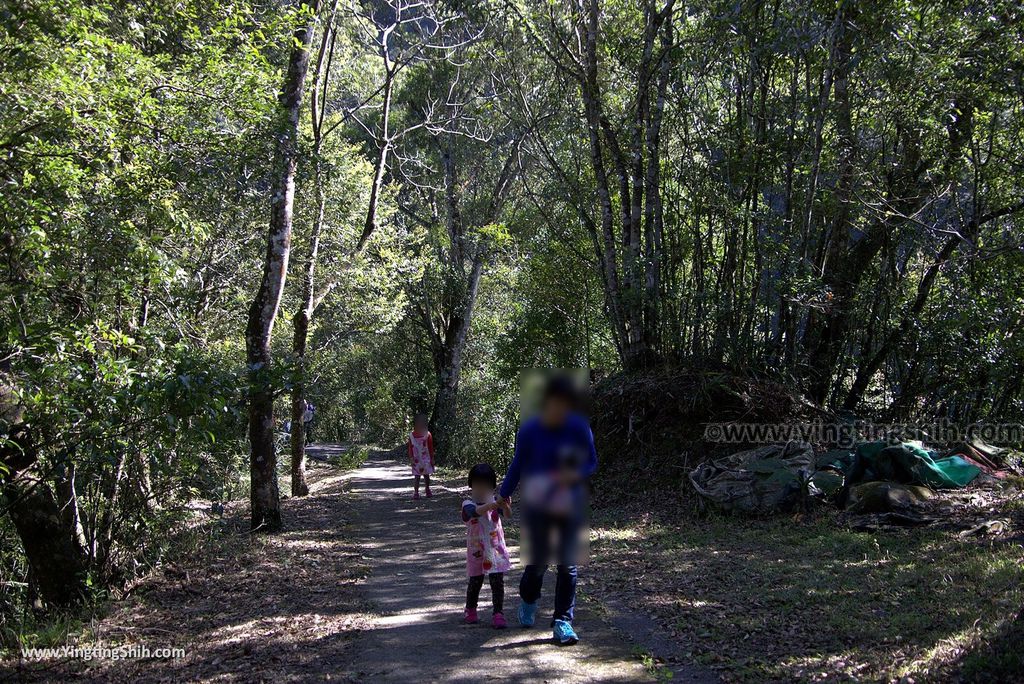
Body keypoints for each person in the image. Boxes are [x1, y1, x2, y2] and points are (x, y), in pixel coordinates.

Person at [498, 375, 596, 646]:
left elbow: (591, 462)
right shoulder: (529, 430)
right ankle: (529, 600)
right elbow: (518, 464)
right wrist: (503, 494)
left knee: (568, 565)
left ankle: (563, 621)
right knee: (538, 565)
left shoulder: (579, 427)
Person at [461, 463, 512, 628]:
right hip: (476, 551)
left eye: (486, 486)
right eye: (478, 485)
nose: (482, 489)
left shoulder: (495, 503)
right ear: (471, 485)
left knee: (497, 582)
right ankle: (470, 609)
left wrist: (505, 506)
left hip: (495, 550)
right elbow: (474, 513)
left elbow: (508, 515)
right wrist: (493, 505)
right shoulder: (468, 504)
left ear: (492, 487)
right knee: (475, 581)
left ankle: (498, 613)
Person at [407, 413, 435, 499]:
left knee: (426, 475)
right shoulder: (411, 435)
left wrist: (432, 458)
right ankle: (416, 492)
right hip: (416, 459)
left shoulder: (428, 434)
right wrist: (411, 458)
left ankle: (427, 489)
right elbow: (410, 448)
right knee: (417, 476)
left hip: (426, 458)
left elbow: (430, 447)